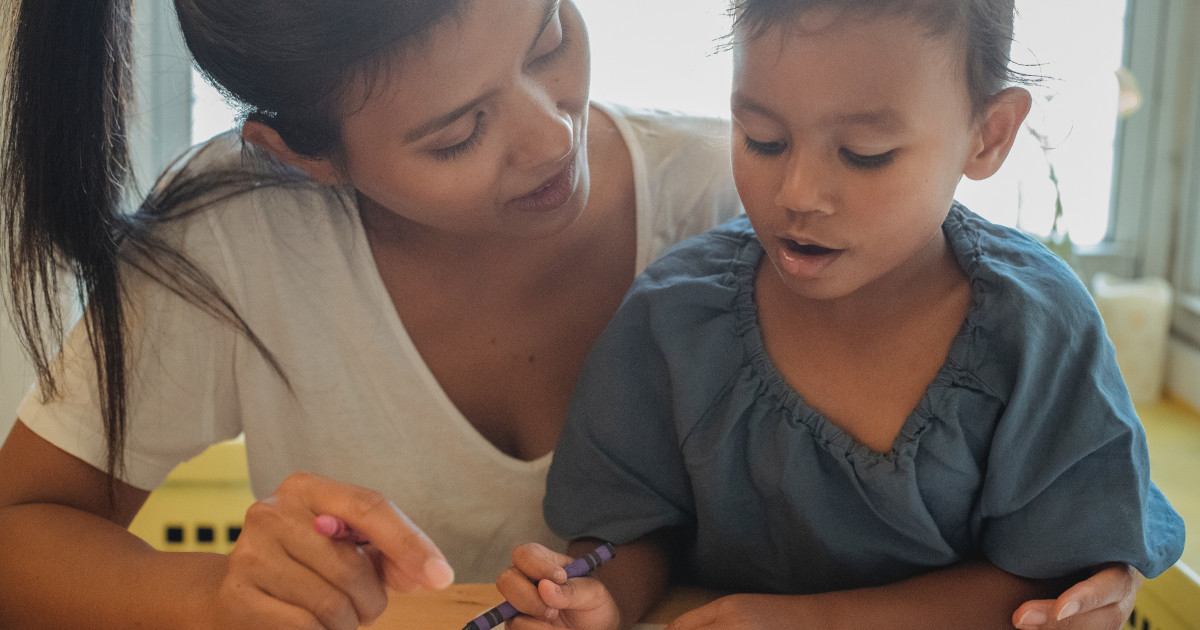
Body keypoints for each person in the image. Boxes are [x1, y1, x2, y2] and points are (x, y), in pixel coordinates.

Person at [0, 0, 1144, 628]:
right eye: (456, 132)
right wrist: (214, 591)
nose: (552, 139)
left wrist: (1092, 578)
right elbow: (19, 537)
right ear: (305, 155)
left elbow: (1072, 532)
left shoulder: (744, 214)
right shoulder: (230, 244)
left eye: (549, 31)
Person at [495, 1, 1187, 629]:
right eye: (763, 139)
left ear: (989, 136)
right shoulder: (675, 321)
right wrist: (597, 597)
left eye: (865, 155)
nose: (798, 193)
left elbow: (1053, 583)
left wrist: (810, 621)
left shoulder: (1037, 333)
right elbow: (631, 530)